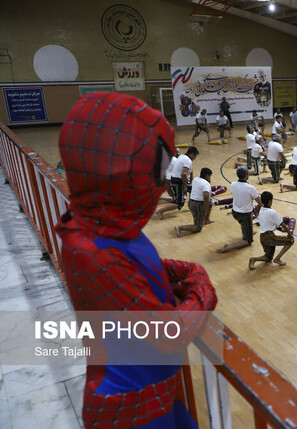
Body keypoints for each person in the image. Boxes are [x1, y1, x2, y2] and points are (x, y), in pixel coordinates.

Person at [56, 92, 217, 428]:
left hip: (155, 395)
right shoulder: (91, 250)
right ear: (119, 174)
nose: (159, 188)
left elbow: (136, 264)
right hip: (130, 410)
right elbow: (169, 332)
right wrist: (201, 287)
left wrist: (177, 268)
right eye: (154, 176)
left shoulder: (107, 223)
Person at [218, 166, 262, 253]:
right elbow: (260, 203)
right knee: (248, 241)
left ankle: (249, 231)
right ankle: (230, 246)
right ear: (246, 175)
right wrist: (255, 210)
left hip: (235, 212)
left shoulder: (233, 184)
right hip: (245, 214)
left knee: (243, 223)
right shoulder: (250, 188)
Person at [249, 191, 294, 269]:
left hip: (262, 238)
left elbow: (269, 223)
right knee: (290, 241)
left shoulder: (261, 210)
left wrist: (279, 229)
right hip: (270, 237)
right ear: (270, 201)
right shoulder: (272, 212)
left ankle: (253, 259)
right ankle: (277, 259)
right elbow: (282, 224)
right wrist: (289, 234)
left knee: (268, 258)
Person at [156, 146, 199, 219]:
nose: (195, 158)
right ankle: (160, 211)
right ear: (192, 154)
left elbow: (190, 171)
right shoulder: (188, 160)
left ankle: (191, 206)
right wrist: (185, 187)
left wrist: (191, 182)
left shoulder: (182, 156)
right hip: (178, 181)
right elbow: (184, 174)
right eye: (195, 156)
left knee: (193, 189)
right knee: (178, 203)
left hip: (178, 180)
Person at [175, 167, 213, 237]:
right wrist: (206, 209)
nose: (210, 178)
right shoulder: (206, 184)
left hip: (191, 203)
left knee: (210, 202)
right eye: (210, 176)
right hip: (198, 206)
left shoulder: (195, 179)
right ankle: (180, 228)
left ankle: (206, 220)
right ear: (207, 175)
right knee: (197, 228)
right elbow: (206, 197)